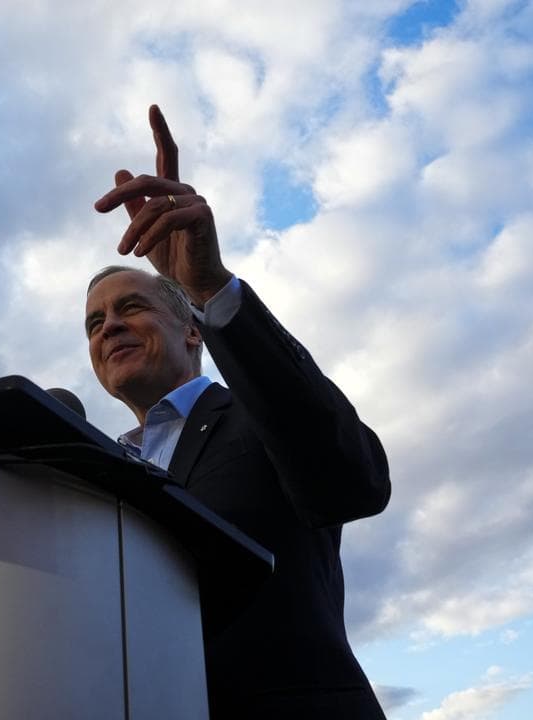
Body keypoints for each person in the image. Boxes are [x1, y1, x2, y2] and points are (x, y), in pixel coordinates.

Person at [87, 105, 391, 718]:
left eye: (131, 308)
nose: (109, 325)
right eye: (94, 322)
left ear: (192, 332)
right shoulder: (95, 471)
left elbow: (354, 479)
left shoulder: (259, 418)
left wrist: (206, 288)